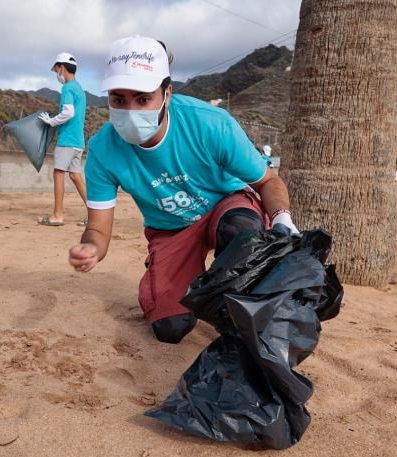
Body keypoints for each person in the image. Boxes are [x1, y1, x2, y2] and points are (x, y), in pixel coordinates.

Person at [68, 36, 298, 344]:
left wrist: (282, 218)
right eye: (118, 100)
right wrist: (91, 249)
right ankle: (180, 279)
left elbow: (267, 181)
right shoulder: (102, 151)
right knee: (170, 328)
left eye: (143, 98)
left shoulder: (210, 124)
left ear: (166, 94)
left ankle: (238, 307)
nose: (131, 111)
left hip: (224, 208)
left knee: (242, 229)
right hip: (170, 230)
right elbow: (98, 229)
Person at [37, 52, 87, 226]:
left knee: (58, 174)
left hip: (67, 140)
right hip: (78, 141)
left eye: (56, 69)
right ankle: (95, 214)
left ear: (62, 68)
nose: (56, 73)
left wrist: (51, 121)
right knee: (75, 176)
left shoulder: (67, 88)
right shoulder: (80, 88)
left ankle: (57, 215)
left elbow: (68, 112)